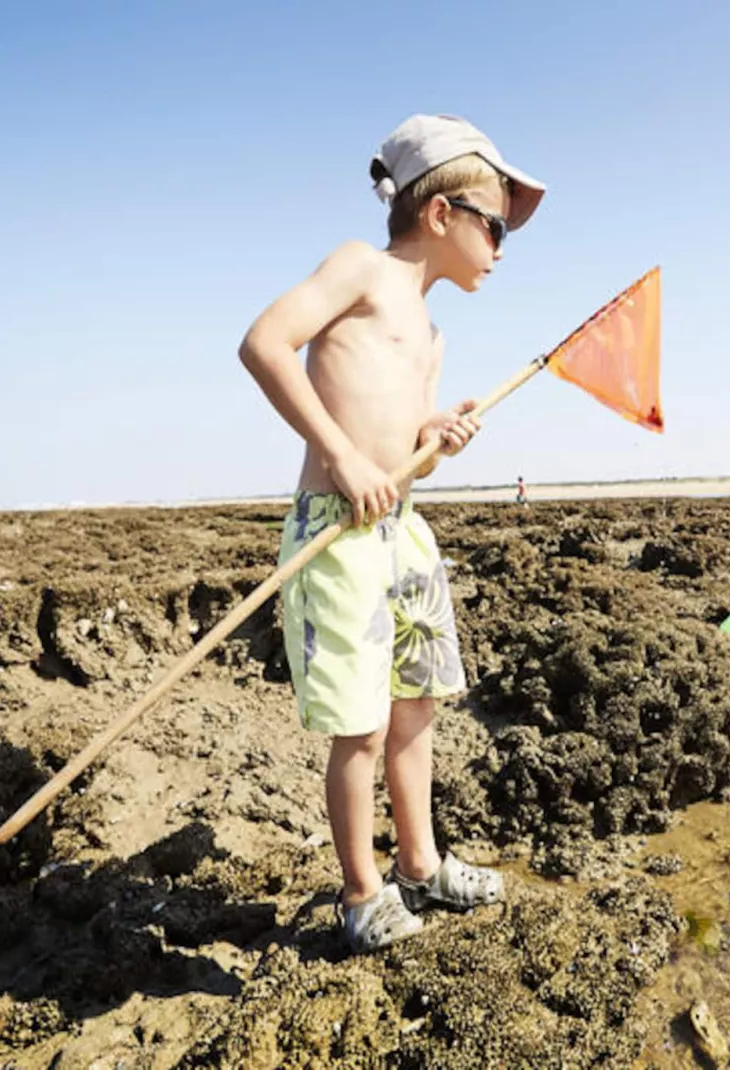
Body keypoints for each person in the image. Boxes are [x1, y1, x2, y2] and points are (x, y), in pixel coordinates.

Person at [237, 113, 545, 953]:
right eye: (496, 222)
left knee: (417, 709)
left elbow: (408, 460)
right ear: (440, 214)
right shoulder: (360, 269)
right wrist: (338, 456)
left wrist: (433, 439)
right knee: (362, 725)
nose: (503, 244)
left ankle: (419, 863)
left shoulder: (433, 332)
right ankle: (363, 894)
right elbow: (264, 342)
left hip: (401, 529)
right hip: (334, 533)